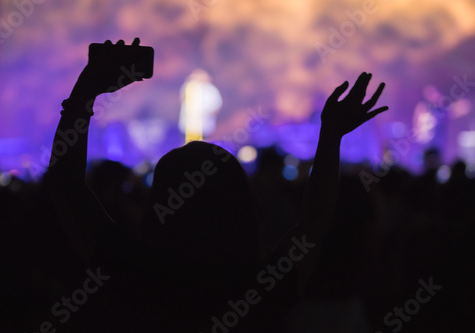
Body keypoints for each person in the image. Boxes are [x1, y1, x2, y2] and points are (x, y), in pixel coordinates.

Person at [45, 38, 388, 332]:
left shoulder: (130, 275)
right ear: (247, 208)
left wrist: (87, 91)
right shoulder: (260, 290)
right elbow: (315, 220)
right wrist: (331, 138)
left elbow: (66, 186)